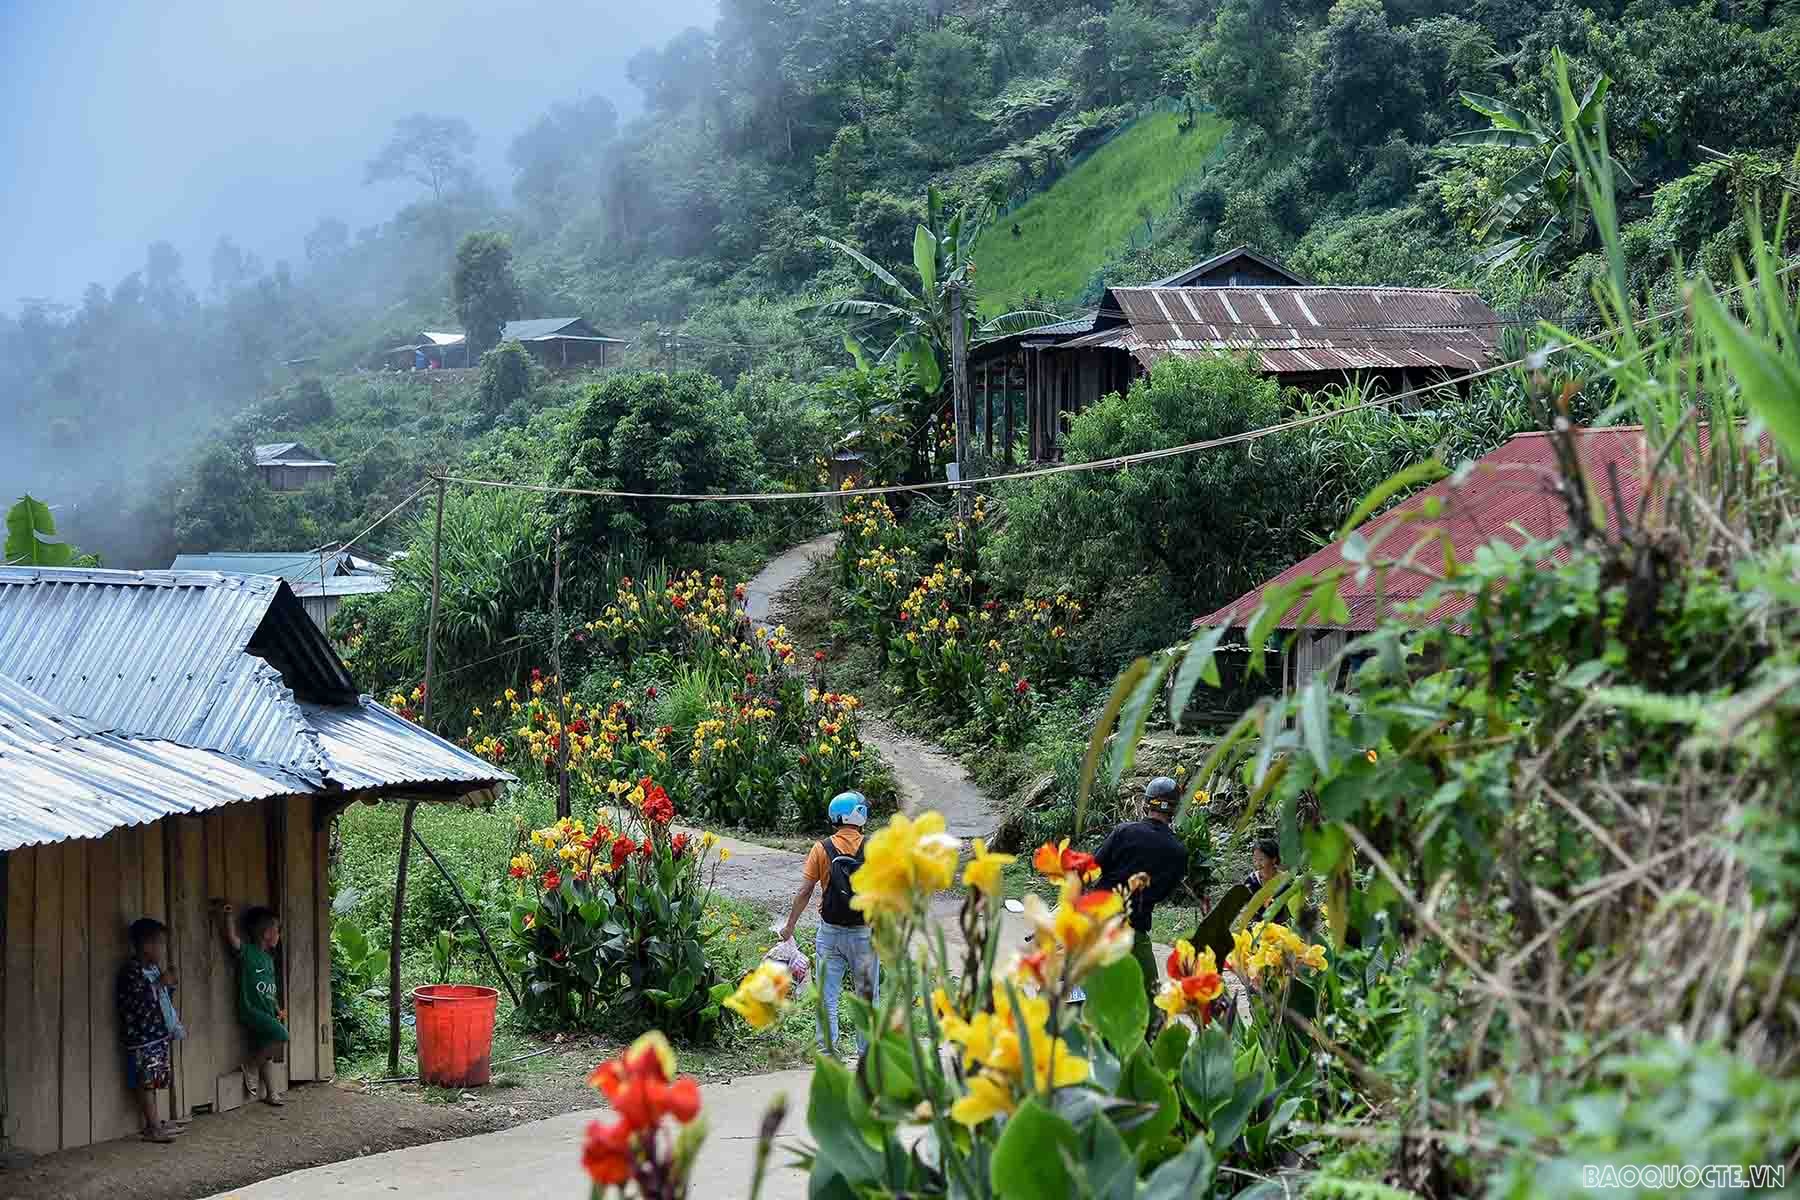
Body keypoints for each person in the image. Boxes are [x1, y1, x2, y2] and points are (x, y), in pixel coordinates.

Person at [779, 791, 877, 1059]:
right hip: (864, 933)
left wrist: (789, 927)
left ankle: (828, 1053)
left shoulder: (821, 848)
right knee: (867, 997)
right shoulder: (874, 848)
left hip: (830, 933)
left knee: (827, 997)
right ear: (859, 815)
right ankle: (867, 1055)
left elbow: (805, 891)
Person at [1093, 777, 1188, 1010]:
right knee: (1151, 1000)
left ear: (1146, 804)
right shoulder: (1178, 852)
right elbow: (1164, 893)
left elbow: (1094, 867)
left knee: (1076, 982)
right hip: (1134, 932)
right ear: (1174, 809)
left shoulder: (1123, 832)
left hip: (1096, 925)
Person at [118, 918, 186, 1143]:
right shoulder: (131, 971)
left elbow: (162, 1000)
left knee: (153, 1080)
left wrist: (169, 984)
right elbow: (137, 1001)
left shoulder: (153, 969)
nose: (161, 949)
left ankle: (154, 1123)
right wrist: (159, 984)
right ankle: (153, 1127)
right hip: (142, 1037)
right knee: (145, 1081)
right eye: (159, 944)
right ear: (146, 946)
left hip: (157, 1034)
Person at [221, 903, 289, 1105]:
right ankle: (250, 1067)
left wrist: (277, 1008)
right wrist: (228, 916)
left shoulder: (268, 960)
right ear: (267, 933)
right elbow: (232, 939)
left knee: (266, 1052)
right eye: (277, 931)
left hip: (267, 1011)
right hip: (251, 1009)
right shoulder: (249, 952)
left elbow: (270, 988)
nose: (279, 935)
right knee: (282, 1035)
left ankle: (271, 1093)